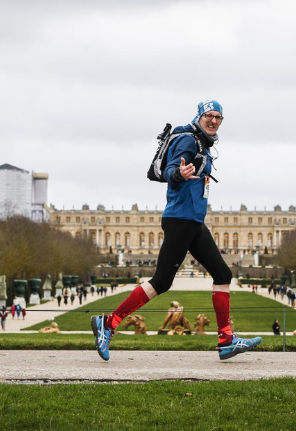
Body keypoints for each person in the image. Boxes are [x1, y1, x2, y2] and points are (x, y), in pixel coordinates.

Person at [91, 101, 262, 361]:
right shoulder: (189, 141)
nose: (214, 121)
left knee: (222, 273)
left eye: (218, 117)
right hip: (181, 220)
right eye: (209, 115)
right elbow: (171, 168)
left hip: (193, 221)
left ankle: (226, 339)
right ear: (199, 116)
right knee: (161, 282)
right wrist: (179, 173)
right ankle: (107, 323)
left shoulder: (202, 143)